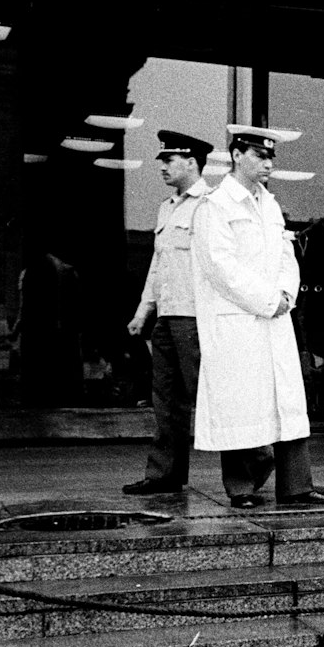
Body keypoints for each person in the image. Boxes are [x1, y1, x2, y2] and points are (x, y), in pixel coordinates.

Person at [191, 129, 324, 508]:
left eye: (271, 157)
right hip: (238, 319)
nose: (268, 163)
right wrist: (268, 300)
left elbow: (287, 256)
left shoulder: (269, 204)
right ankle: (240, 487)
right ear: (237, 155)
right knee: (240, 402)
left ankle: (297, 484)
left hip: (275, 317)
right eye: (259, 155)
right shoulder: (215, 205)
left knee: (286, 400)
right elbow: (220, 267)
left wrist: (287, 293)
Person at [123, 131, 215, 495]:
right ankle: (164, 475)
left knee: (210, 398)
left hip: (196, 318)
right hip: (167, 317)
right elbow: (157, 266)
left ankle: (246, 477)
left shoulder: (210, 205)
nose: (161, 165)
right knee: (165, 401)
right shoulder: (167, 207)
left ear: (192, 162)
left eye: (170, 159)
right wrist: (143, 311)